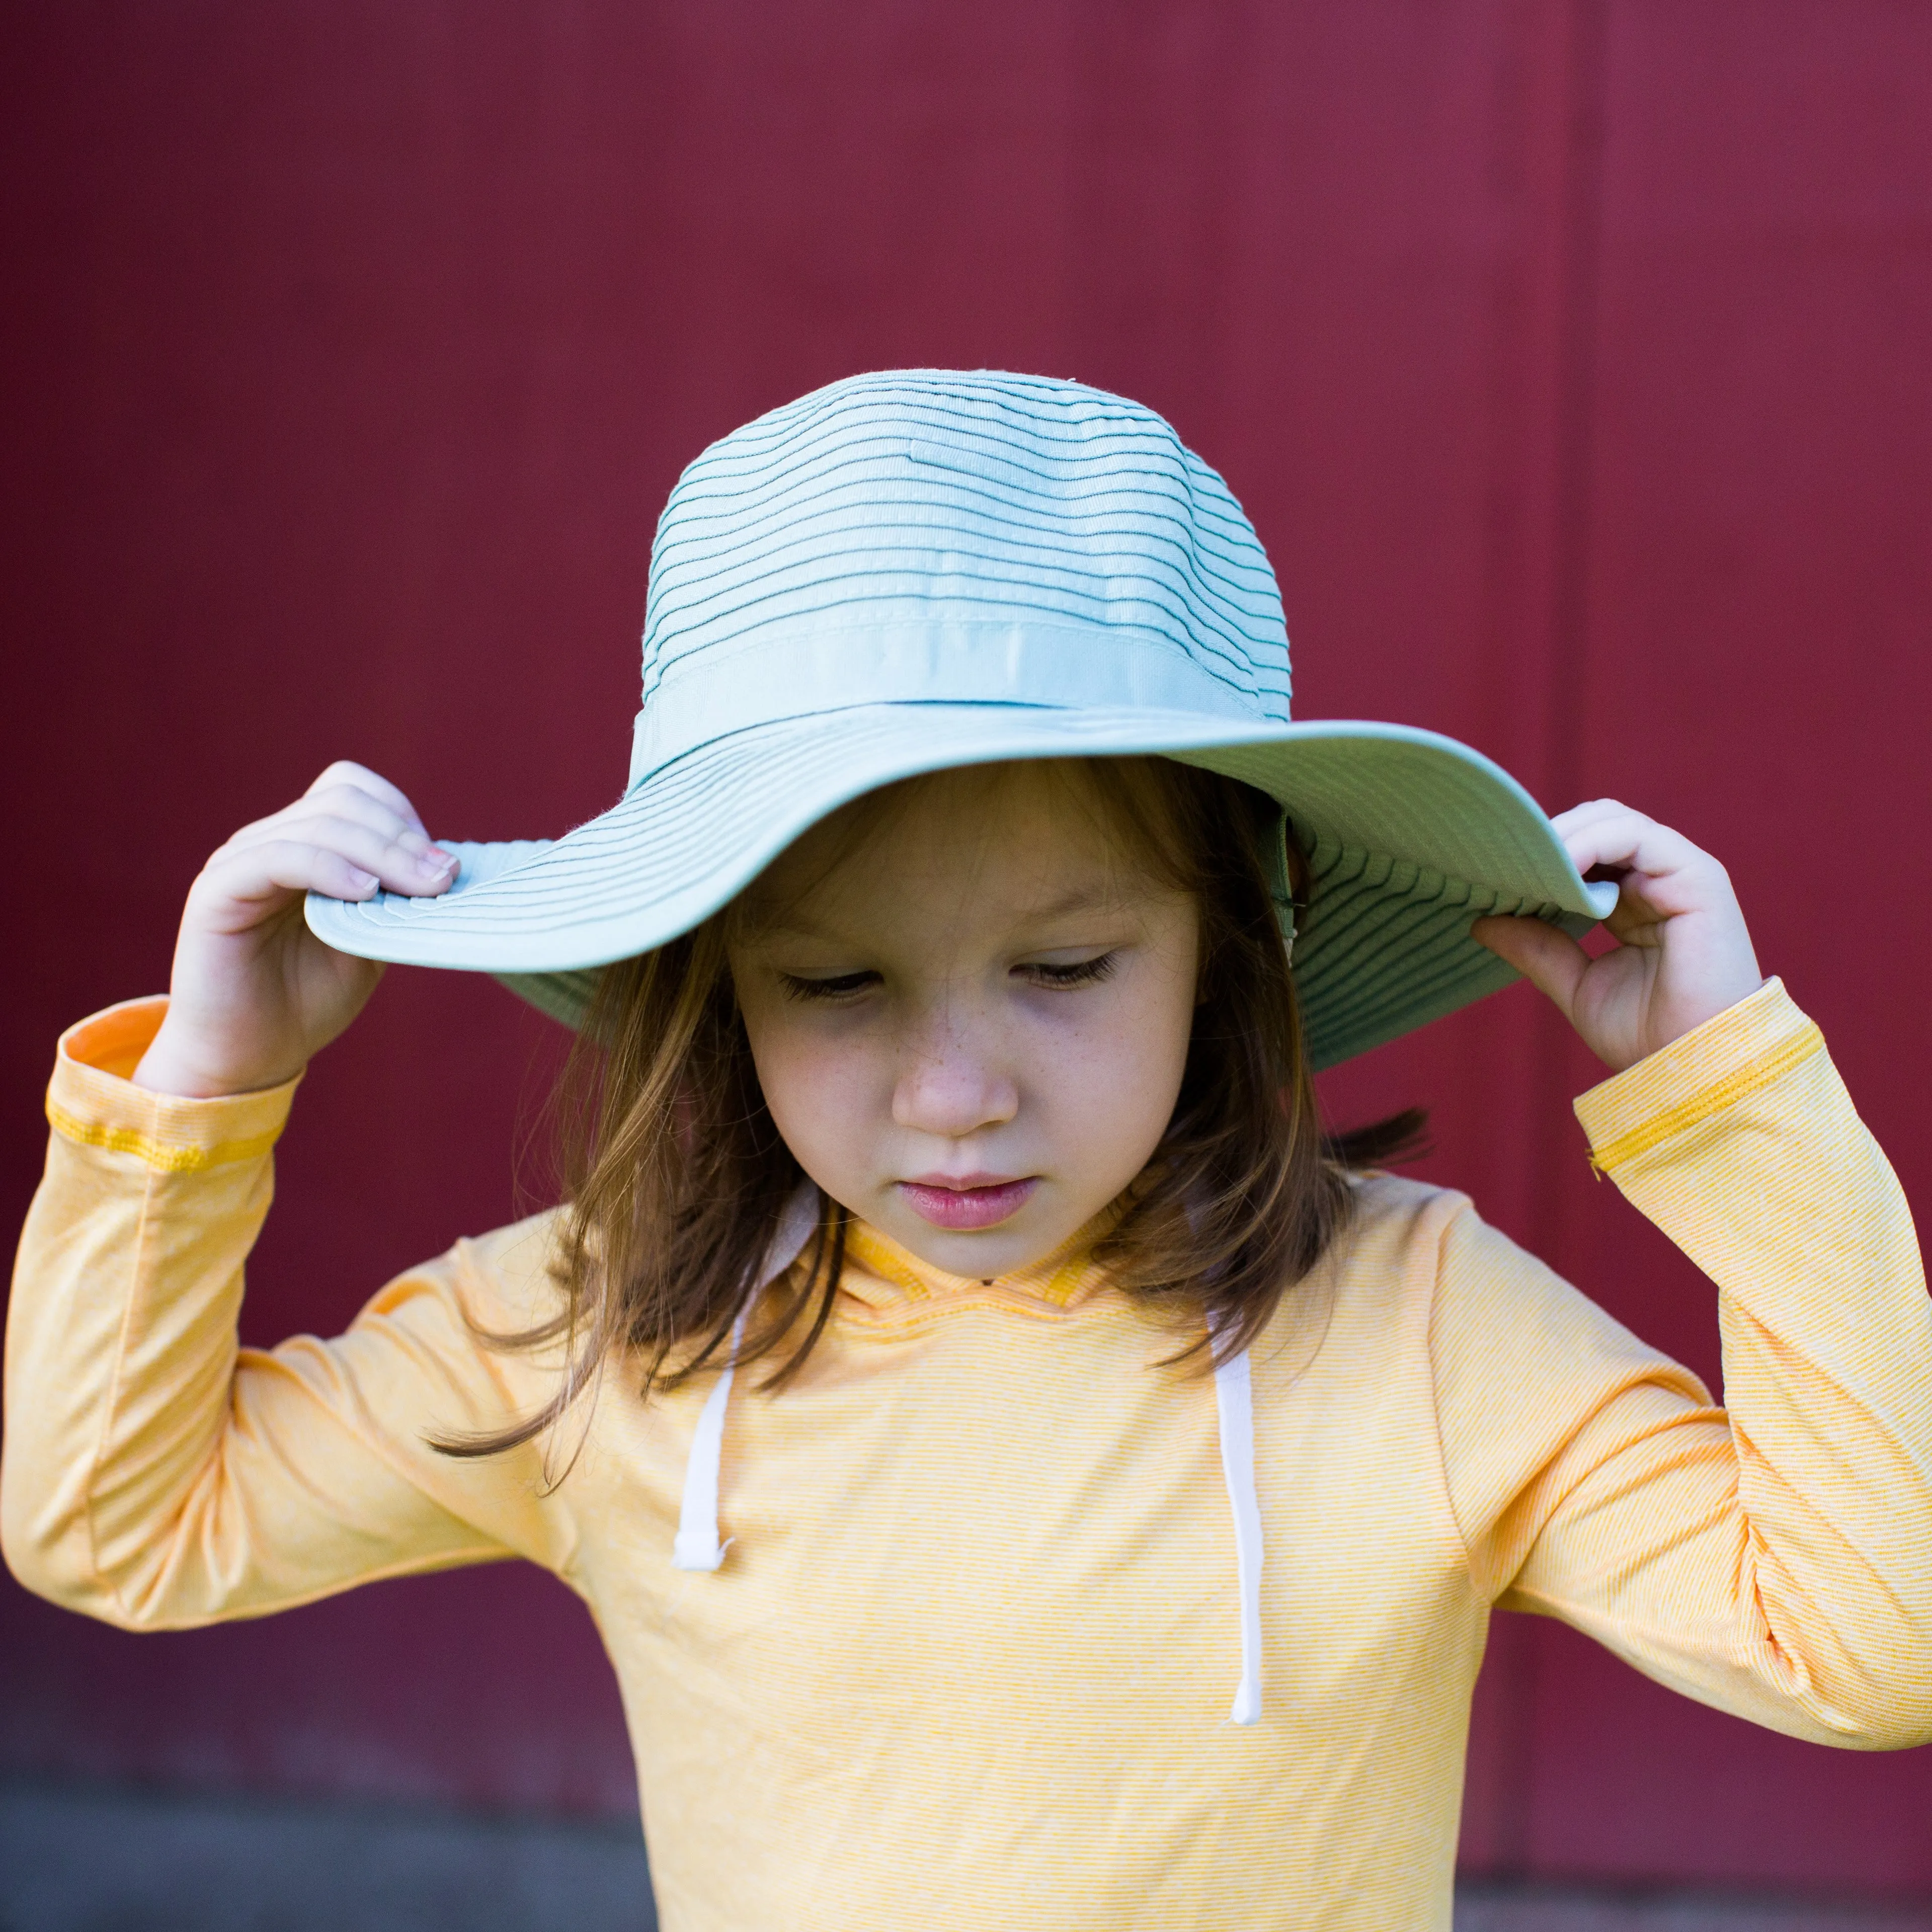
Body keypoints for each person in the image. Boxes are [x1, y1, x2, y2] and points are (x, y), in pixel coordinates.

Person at [5, 370, 1929, 1931]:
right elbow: (112, 1527)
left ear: (1229, 947)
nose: (953, 1093)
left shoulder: (1419, 1330)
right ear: (712, 990)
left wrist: (1734, 1106)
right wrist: (203, 1086)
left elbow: (1876, 1644)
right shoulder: (609, 1333)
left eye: (1067, 965)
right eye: (834, 983)